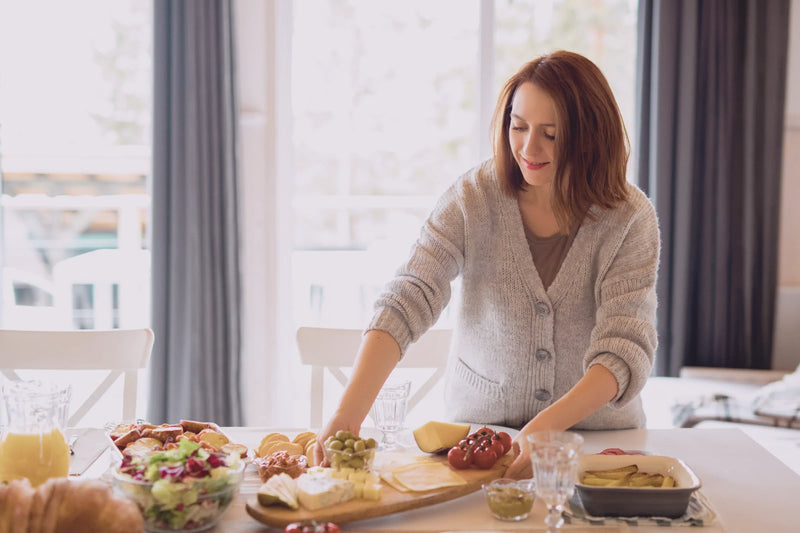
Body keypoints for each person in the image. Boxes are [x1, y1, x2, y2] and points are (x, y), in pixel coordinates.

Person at [314, 50, 660, 479]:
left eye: (551, 134)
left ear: (590, 136)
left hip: (595, 443)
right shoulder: (473, 198)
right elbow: (410, 296)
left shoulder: (630, 218)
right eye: (519, 126)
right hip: (477, 437)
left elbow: (625, 345)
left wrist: (547, 427)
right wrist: (348, 412)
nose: (529, 148)